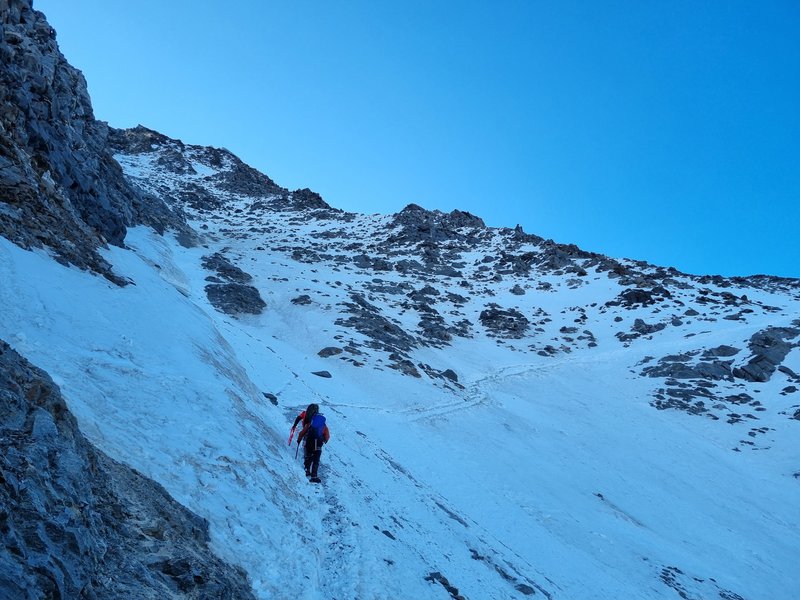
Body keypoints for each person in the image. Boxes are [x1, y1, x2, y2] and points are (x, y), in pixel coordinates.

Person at [297, 409, 330, 483]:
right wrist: (324, 440)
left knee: (308, 457)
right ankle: (314, 476)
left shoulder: (309, 424)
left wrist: (299, 440)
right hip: (318, 444)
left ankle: (307, 470)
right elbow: (327, 436)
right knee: (316, 460)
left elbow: (302, 433)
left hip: (309, 443)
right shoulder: (324, 426)